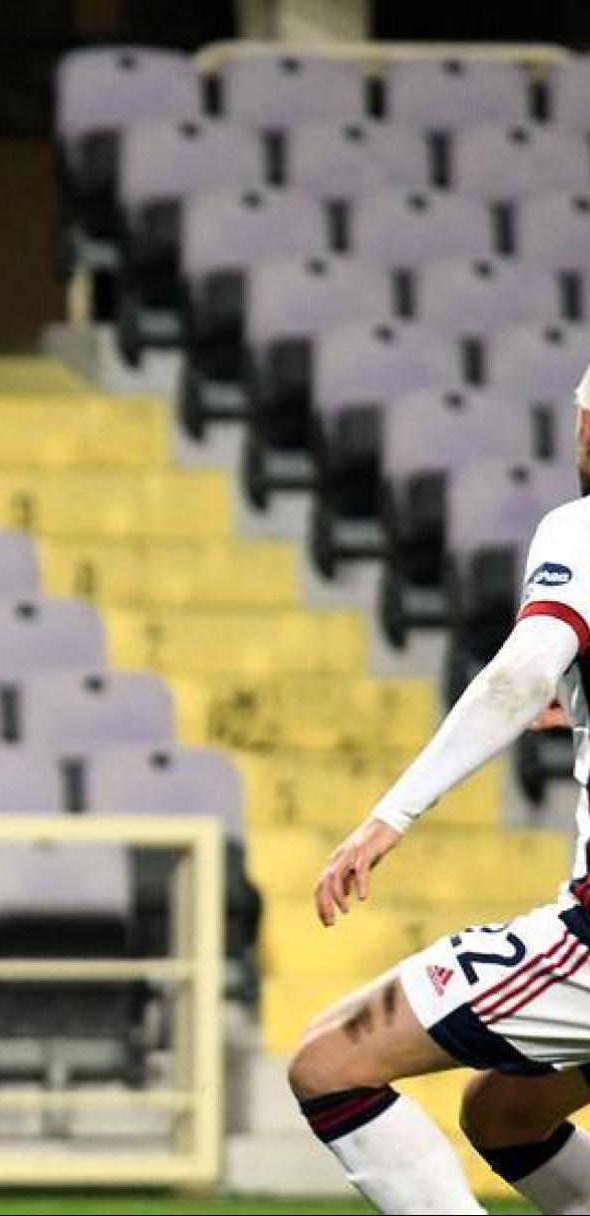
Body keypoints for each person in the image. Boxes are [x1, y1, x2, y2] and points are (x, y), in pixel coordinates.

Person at [288, 363, 590, 1214]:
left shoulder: (582, 529)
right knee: (505, 1113)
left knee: (328, 1064)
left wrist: (388, 818)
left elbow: (521, 672)